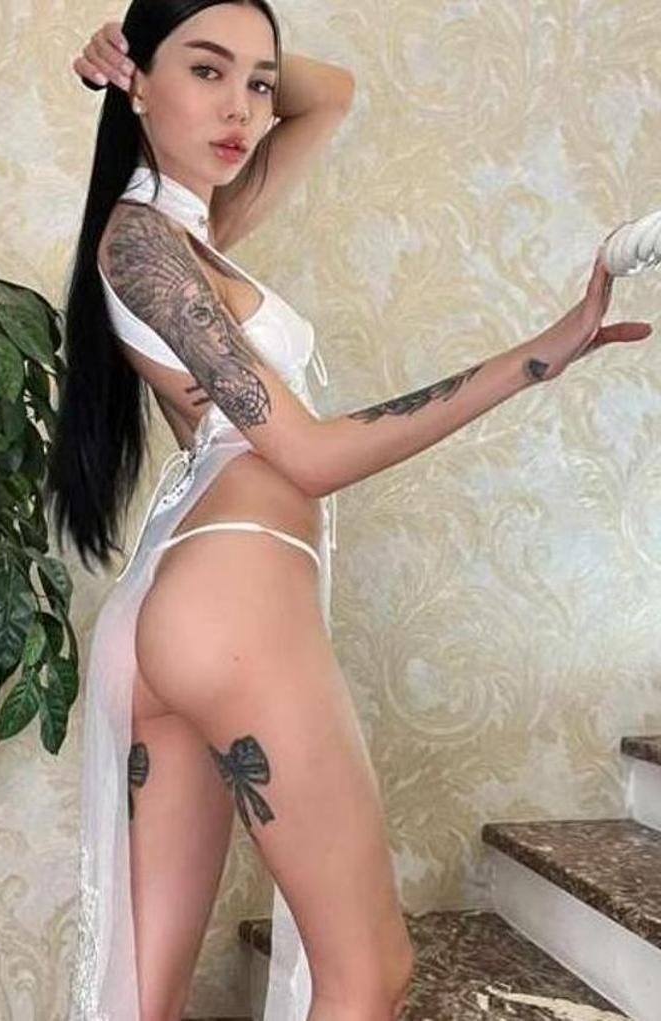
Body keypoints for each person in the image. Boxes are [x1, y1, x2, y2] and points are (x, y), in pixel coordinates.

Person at [46, 2, 653, 1018]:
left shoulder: (193, 230)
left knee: (145, 1000)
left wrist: (183, 55)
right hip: (232, 600)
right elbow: (311, 455)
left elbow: (329, 93)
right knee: (369, 970)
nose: (243, 108)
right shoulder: (142, 242)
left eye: (255, 80)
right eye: (206, 73)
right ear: (135, 84)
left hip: (182, 608)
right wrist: (539, 356)